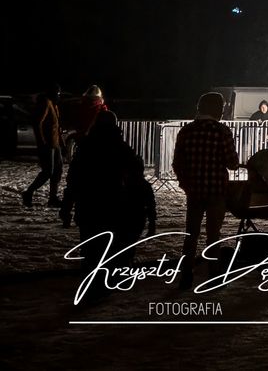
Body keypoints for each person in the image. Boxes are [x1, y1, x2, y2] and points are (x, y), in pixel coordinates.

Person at [61, 110, 155, 303]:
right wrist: (148, 214)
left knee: (90, 250)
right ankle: (103, 285)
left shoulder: (86, 147)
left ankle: (90, 287)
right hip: (115, 207)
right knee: (110, 249)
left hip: (88, 208)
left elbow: (74, 180)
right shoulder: (122, 148)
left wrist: (67, 206)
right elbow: (138, 181)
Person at [171, 92, 239, 290]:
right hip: (216, 190)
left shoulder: (186, 131)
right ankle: (214, 276)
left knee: (191, 235)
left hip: (194, 191)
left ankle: (186, 276)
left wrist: (186, 184)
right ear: (217, 109)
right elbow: (232, 163)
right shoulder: (222, 131)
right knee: (213, 235)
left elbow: (178, 163)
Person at [22, 86, 63, 208]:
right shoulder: (46, 103)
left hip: (55, 145)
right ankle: (28, 193)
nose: (59, 96)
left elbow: (57, 128)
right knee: (47, 172)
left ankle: (53, 198)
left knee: (57, 171)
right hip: (48, 145)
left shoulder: (54, 105)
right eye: (58, 93)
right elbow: (37, 122)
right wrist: (42, 142)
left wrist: (62, 145)